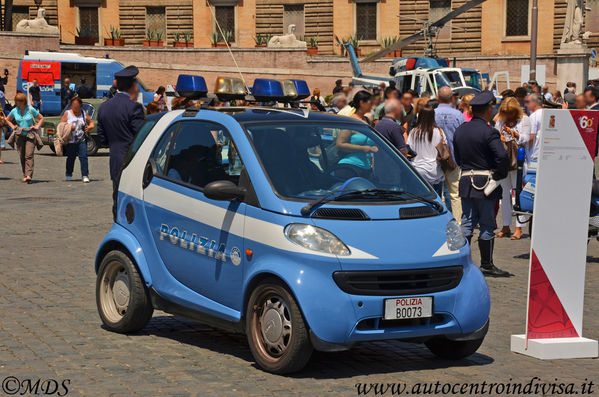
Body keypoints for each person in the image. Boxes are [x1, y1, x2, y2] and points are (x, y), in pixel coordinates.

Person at [453, 90, 511, 277]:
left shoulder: (461, 129)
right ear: (487, 109)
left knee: (467, 223)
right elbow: (502, 156)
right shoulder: (489, 132)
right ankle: (486, 264)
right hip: (485, 182)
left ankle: (462, 263)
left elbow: (458, 156)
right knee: (486, 224)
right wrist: (499, 174)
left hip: (466, 180)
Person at [97, 65, 146, 220]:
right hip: (132, 162)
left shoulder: (104, 107)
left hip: (115, 161)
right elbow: (141, 138)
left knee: (117, 200)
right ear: (133, 85)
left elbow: (102, 139)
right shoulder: (134, 108)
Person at [495, 97, 531, 240]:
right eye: (506, 112)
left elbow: (526, 138)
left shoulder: (525, 120)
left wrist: (513, 134)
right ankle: (505, 225)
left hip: (519, 160)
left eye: (510, 112)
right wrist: (501, 138)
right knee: (504, 195)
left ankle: (519, 227)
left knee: (518, 193)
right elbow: (496, 137)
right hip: (505, 161)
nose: (508, 115)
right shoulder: (501, 120)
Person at [435, 86, 465, 217]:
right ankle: (457, 221)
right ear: (452, 98)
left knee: (438, 193)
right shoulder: (458, 115)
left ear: (437, 97)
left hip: (436, 158)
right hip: (454, 158)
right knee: (455, 194)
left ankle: (441, 219)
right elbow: (463, 136)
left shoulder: (432, 113)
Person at [335, 90, 377, 179]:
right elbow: (340, 144)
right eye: (370, 103)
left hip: (366, 169)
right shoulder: (350, 121)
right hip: (349, 169)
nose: (372, 106)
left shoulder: (367, 120)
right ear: (362, 103)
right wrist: (364, 148)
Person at [406, 106, 446, 196]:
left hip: (418, 170)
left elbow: (409, 149)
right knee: (436, 202)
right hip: (435, 171)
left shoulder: (413, 132)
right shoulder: (439, 132)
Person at [6, 92, 44, 183]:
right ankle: (25, 174)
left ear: (24, 101)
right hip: (19, 135)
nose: (18, 102)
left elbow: (41, 118)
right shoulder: (14, 110)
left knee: (29, 155)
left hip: (30, 134)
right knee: (22, 156)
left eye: (20, 101)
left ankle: (28, 175)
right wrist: (12, 126)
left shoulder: (31, 109)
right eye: (17, 101)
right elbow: (8, 120)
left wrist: (37, 126)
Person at [61, 97, 94, 183]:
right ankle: (69, 174)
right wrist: (69, 127)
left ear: (80, 106)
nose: (75, 108)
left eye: (77, 106)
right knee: (71, 158)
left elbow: (91, 123)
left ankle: (85, 175)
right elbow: (61, 125)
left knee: (83, 157)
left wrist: (89, 127)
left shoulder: (83, 113)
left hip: (81, 139)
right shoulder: (67, 113)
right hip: (71, 140)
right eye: (73, 106)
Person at [525, 93, 544, 164]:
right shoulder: (546, 113)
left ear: (535, 102)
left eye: (528, 102)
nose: (526, 104)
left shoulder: (533, 116)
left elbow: (531, 137)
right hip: (543, 153)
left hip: (534, 155)